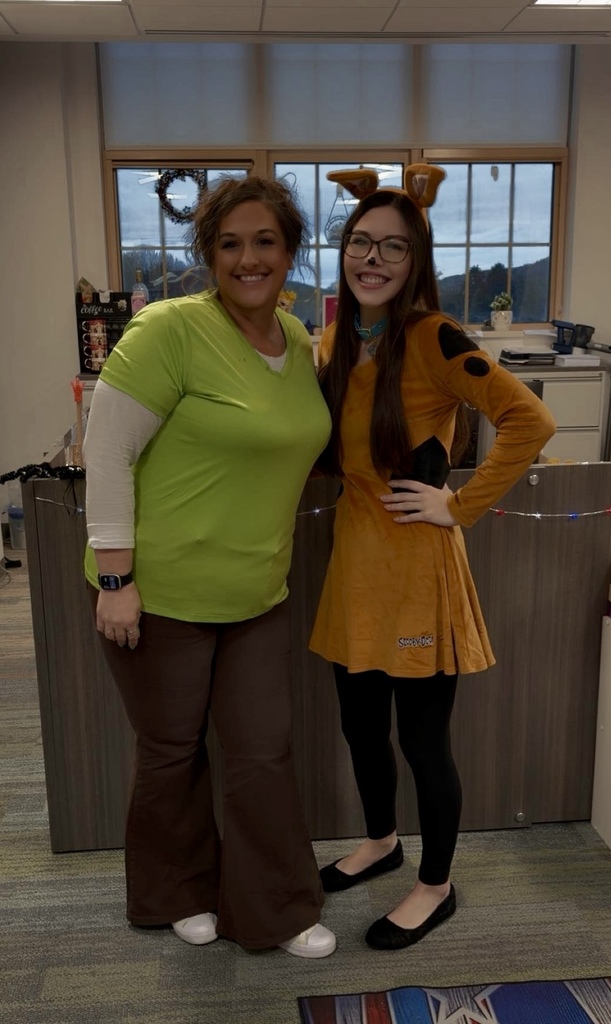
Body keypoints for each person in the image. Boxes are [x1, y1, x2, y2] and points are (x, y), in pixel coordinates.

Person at [83, 175, 336, 959]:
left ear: (290, 251)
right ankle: (174, 893)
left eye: (265, 241)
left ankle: (276, 909)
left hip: (257, 591)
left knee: (262, 752)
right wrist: (118, 583)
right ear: (208, 255)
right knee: (171, 751)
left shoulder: (296, 343)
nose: (248, 258)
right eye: (230, 244)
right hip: (160, 592)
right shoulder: (169, 330)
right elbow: (107, 452)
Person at [310, 164, 556, 951]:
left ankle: (434, 884)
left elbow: (529, 422)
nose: (371, 259)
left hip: (418, 574)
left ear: (416, 261)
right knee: (358, 727)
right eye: (359, 243)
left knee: (422, 740)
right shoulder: (336, 337)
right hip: (353, 569)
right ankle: (381, 840)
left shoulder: (431, 336)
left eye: (391, 247)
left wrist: (458, 505)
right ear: (342, 252)